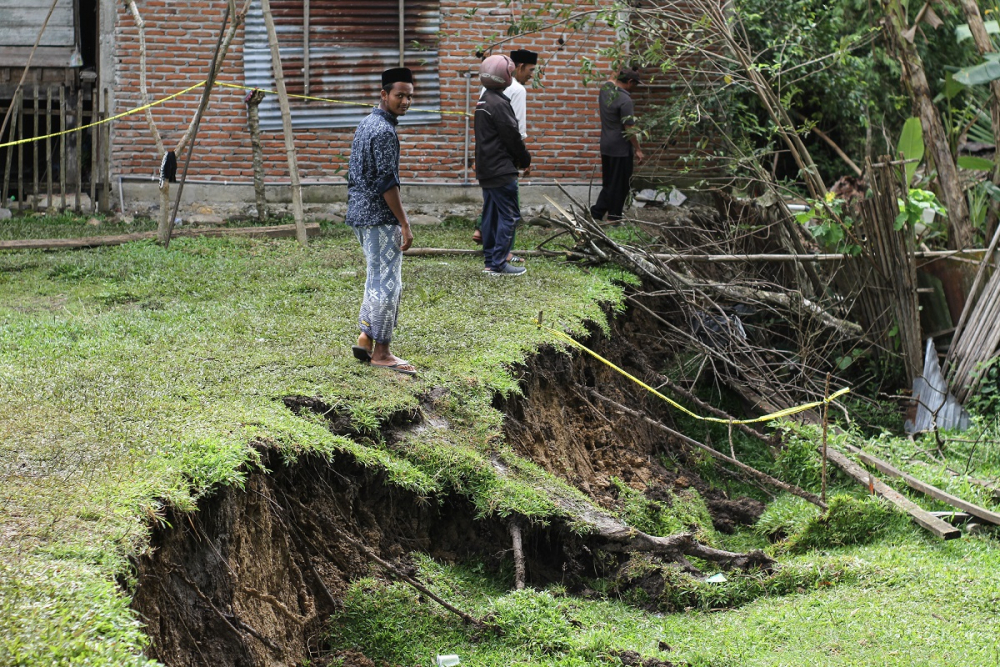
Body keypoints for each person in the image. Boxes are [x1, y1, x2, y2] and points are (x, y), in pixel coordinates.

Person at [347, 67, 417, 375]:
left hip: (360, 215)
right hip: (379, 216)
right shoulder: (385, 131)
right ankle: (382, 352)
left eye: (409, 96)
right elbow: (387, 182)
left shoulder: (367, 123)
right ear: (384, 94)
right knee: (388, 282)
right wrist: (404, 222)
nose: (405, 102)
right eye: (399, 95)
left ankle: (365, 338)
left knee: (376, 277)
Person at [471, 48, 538, 262]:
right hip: (503, 162)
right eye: (531, 70)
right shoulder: (515, 91)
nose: (531, 75)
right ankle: (501, 257)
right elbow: (515, 131)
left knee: (491, 207)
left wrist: (478, 157)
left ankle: (490, 252)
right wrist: (524, 159)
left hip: (487, 161)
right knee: (509, 212)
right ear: (516, 69)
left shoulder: (486, 94)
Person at [590, 69, 644, 222]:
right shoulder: (625, 100)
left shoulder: (605, 90)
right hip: (621, 149)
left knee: (609, 183)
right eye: (635, 84)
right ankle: (613, 218)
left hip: (606, 146)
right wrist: (638, 149)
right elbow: (629, 128)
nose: (635, 88)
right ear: (630, 82)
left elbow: (611, 77)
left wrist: (619, 60)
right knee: (620, 185)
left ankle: (597, 212)